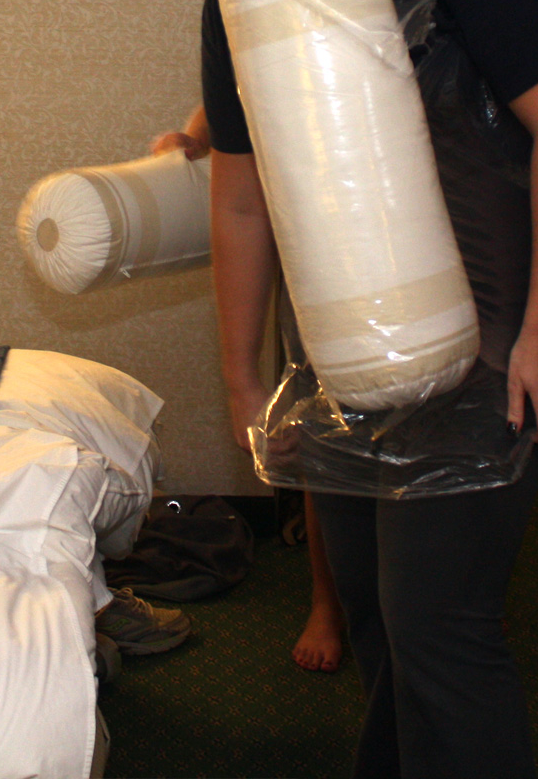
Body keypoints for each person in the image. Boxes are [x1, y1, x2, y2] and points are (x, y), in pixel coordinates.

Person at [204, 0, 538, 779]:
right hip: (343, 343)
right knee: (376, 617)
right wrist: (245, 379)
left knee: (438, 629)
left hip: (493, 329)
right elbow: (242, 195)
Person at [151, 109, 346, 674]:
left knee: (444, 430)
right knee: (326, 444)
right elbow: (234, 79)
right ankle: (327, 603)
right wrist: (196, 136)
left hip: (436, 225)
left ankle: (455, 594)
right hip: (318, 239)